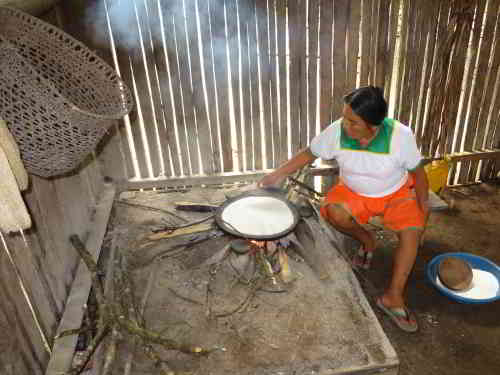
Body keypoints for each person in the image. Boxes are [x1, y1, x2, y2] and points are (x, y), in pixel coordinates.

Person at [259, 86, 429, 333]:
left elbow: (419, 174)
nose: (344, 124)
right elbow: (308, 154)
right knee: (333, 213)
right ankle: (367, 241)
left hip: (395, 193)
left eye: (353, 121)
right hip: (353, 191)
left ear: (375, 125)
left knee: (412, 231)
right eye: (345, 117)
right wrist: (275, 175)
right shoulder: (337, 131)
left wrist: (423, 210)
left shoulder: (400, 137)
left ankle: (393, 296)